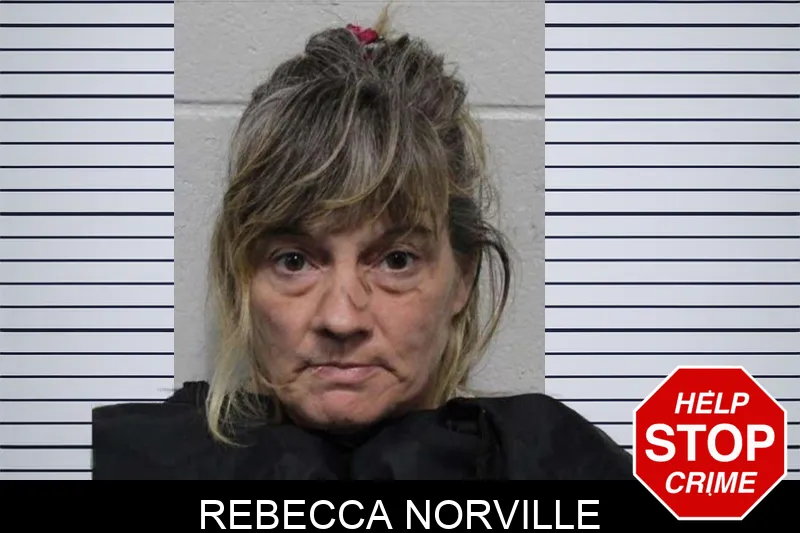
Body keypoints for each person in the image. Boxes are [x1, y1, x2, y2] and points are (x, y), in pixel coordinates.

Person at [92, 11, 633, 480]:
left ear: (462, 279)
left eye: (397, 261)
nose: (342, 319)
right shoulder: (137, 462)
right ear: (242, 278)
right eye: (294, 261)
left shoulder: (558, 468)